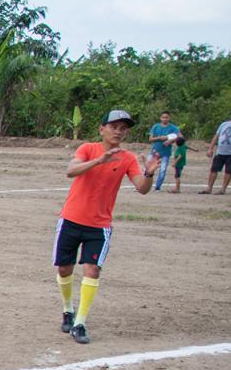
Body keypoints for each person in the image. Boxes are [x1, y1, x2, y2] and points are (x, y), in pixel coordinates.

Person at [54, 109, 158, 344]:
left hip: (99, 226)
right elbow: (71, 171)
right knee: (64, 268)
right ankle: (68, 309)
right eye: (114, 126)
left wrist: (149, 174)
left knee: (92, 270)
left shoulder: (128, 158)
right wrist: (99, 161)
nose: (119, 131)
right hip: (71, 219)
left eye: (123, 128)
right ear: (102, 129)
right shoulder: (87, 149)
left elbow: (142, 188)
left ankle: (79, 323)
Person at [202, 109, 231, 195]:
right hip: (220, 152)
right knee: (213, 170)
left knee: (228, 171)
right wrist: (210, 148)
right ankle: (209, 188)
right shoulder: (224, 124)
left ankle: (223, 189)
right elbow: (216, 136)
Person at [148, 111, 180, 191]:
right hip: (154, 151)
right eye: (163, 117)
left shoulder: (173, 128)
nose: (165, 119)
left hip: (165, 152)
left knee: (162, 170)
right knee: (148, 168)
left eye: (166, 117)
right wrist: (159, 138)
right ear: (160, 118)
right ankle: (144, 184)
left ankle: (157, 187)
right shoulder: (156, 126)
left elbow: (179, 137)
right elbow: (150, 139)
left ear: (169, 118)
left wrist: (170, 140)